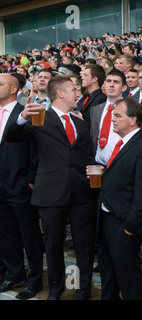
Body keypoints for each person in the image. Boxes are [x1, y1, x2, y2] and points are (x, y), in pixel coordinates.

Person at [5, 75, 98, 300]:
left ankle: (82, 291)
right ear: (61, 93)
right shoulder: (39, 118)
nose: (78, 93)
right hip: (50, 193)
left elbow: (87, 155)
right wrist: (21, 118)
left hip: (82, 193)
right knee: (54, 245)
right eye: (73, 90)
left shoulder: (80, 122)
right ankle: (55, 289)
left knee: (84, 247)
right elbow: (12, 136)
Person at [95, 98, 142, 300]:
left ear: (132, 120)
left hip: (123, 223)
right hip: (107, 218)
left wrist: (130, 227)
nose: (112, 119)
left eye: (117, 115)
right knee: (108, 274)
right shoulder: (123, 143)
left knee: (128, 278)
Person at [0, 74, 43, 300]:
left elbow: (35, 148)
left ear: (14, 89)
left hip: (20, 185)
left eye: (0, 83)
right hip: (1, 187)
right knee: (6, 234)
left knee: (30, 235)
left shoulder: (24, 113)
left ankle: (35, 278)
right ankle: (15, 273)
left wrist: (31, 178)